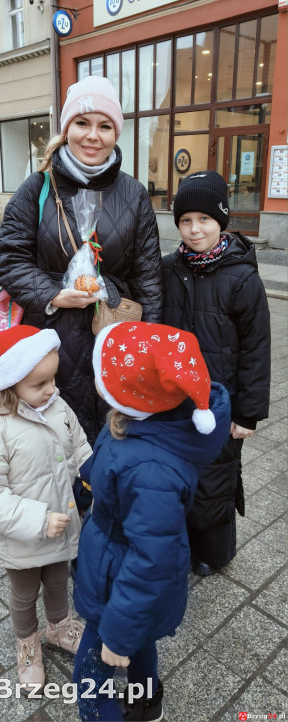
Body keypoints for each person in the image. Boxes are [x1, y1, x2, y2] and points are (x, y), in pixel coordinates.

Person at [72, 320, 231, 721]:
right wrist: (89, 478)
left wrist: (117, 635)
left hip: (119, 578)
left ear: (131, 393)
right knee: (142, 643)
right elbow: (111, 456)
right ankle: (147, 703)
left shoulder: (150, 470)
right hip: (121, 571)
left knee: (92, 675)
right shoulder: (147, 418)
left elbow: (152, 561)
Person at [0, 76, 163, 446]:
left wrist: (144, 348)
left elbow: (149, 276)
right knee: (55, 444)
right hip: (49, 342)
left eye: (105, 126)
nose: (92, 136)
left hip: (113, 336)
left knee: (112, 440)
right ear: (66, 128)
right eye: (82, 123)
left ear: (116, 133)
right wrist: (54, 293)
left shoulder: (133, 193)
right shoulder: (36, 188)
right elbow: (7, 259)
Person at [0, 325, 92, 695]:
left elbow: (79, 445)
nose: (51, 389)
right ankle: (27, 644)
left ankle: (59, 625)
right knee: (25, 592)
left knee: (58, 579)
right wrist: (37, 520)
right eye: (39, 384)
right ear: (8, 384)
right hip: (20, 537)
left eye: (53, 379)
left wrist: (93, 474)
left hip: (60, 523)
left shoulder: (57, 406)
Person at [162, 170, 271, 575]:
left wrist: (247, 413)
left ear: (221, 220)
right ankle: (185, 544)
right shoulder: (167, 269)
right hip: (175, 399)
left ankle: (215, 551)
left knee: (217, 475)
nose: (194, 230)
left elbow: (257, 350)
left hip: (221, 402)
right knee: (181, 473)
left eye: (204, 220)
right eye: (186, 220)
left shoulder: (242, 278)